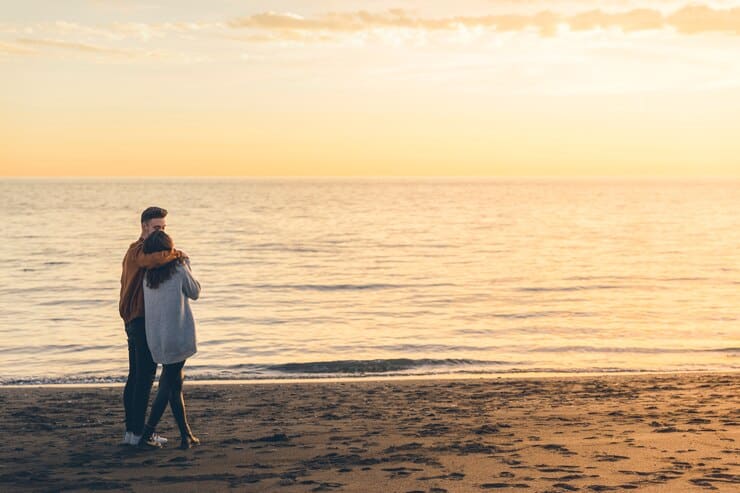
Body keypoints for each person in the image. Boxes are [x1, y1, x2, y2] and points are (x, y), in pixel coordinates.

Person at [119, 206, 184, 447]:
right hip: (138, 320)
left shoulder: (136, 250)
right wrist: (176, 254)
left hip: (132, 320)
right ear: (145, 227)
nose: (161, 232)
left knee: (136, 376)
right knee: (143, 378)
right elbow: (155, 259)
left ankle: (131, 432)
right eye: (157, 227)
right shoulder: (139, 251)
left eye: (164, 228)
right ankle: (137, 434)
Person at [138, 230, 201, 450]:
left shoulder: (147, 275)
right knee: (168, 384)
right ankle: (146, 434)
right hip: (177, 337)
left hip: (156, 338)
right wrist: (187, 262)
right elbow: (195, 292)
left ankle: (186, 436)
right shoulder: (178, 268)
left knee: (175, 384)